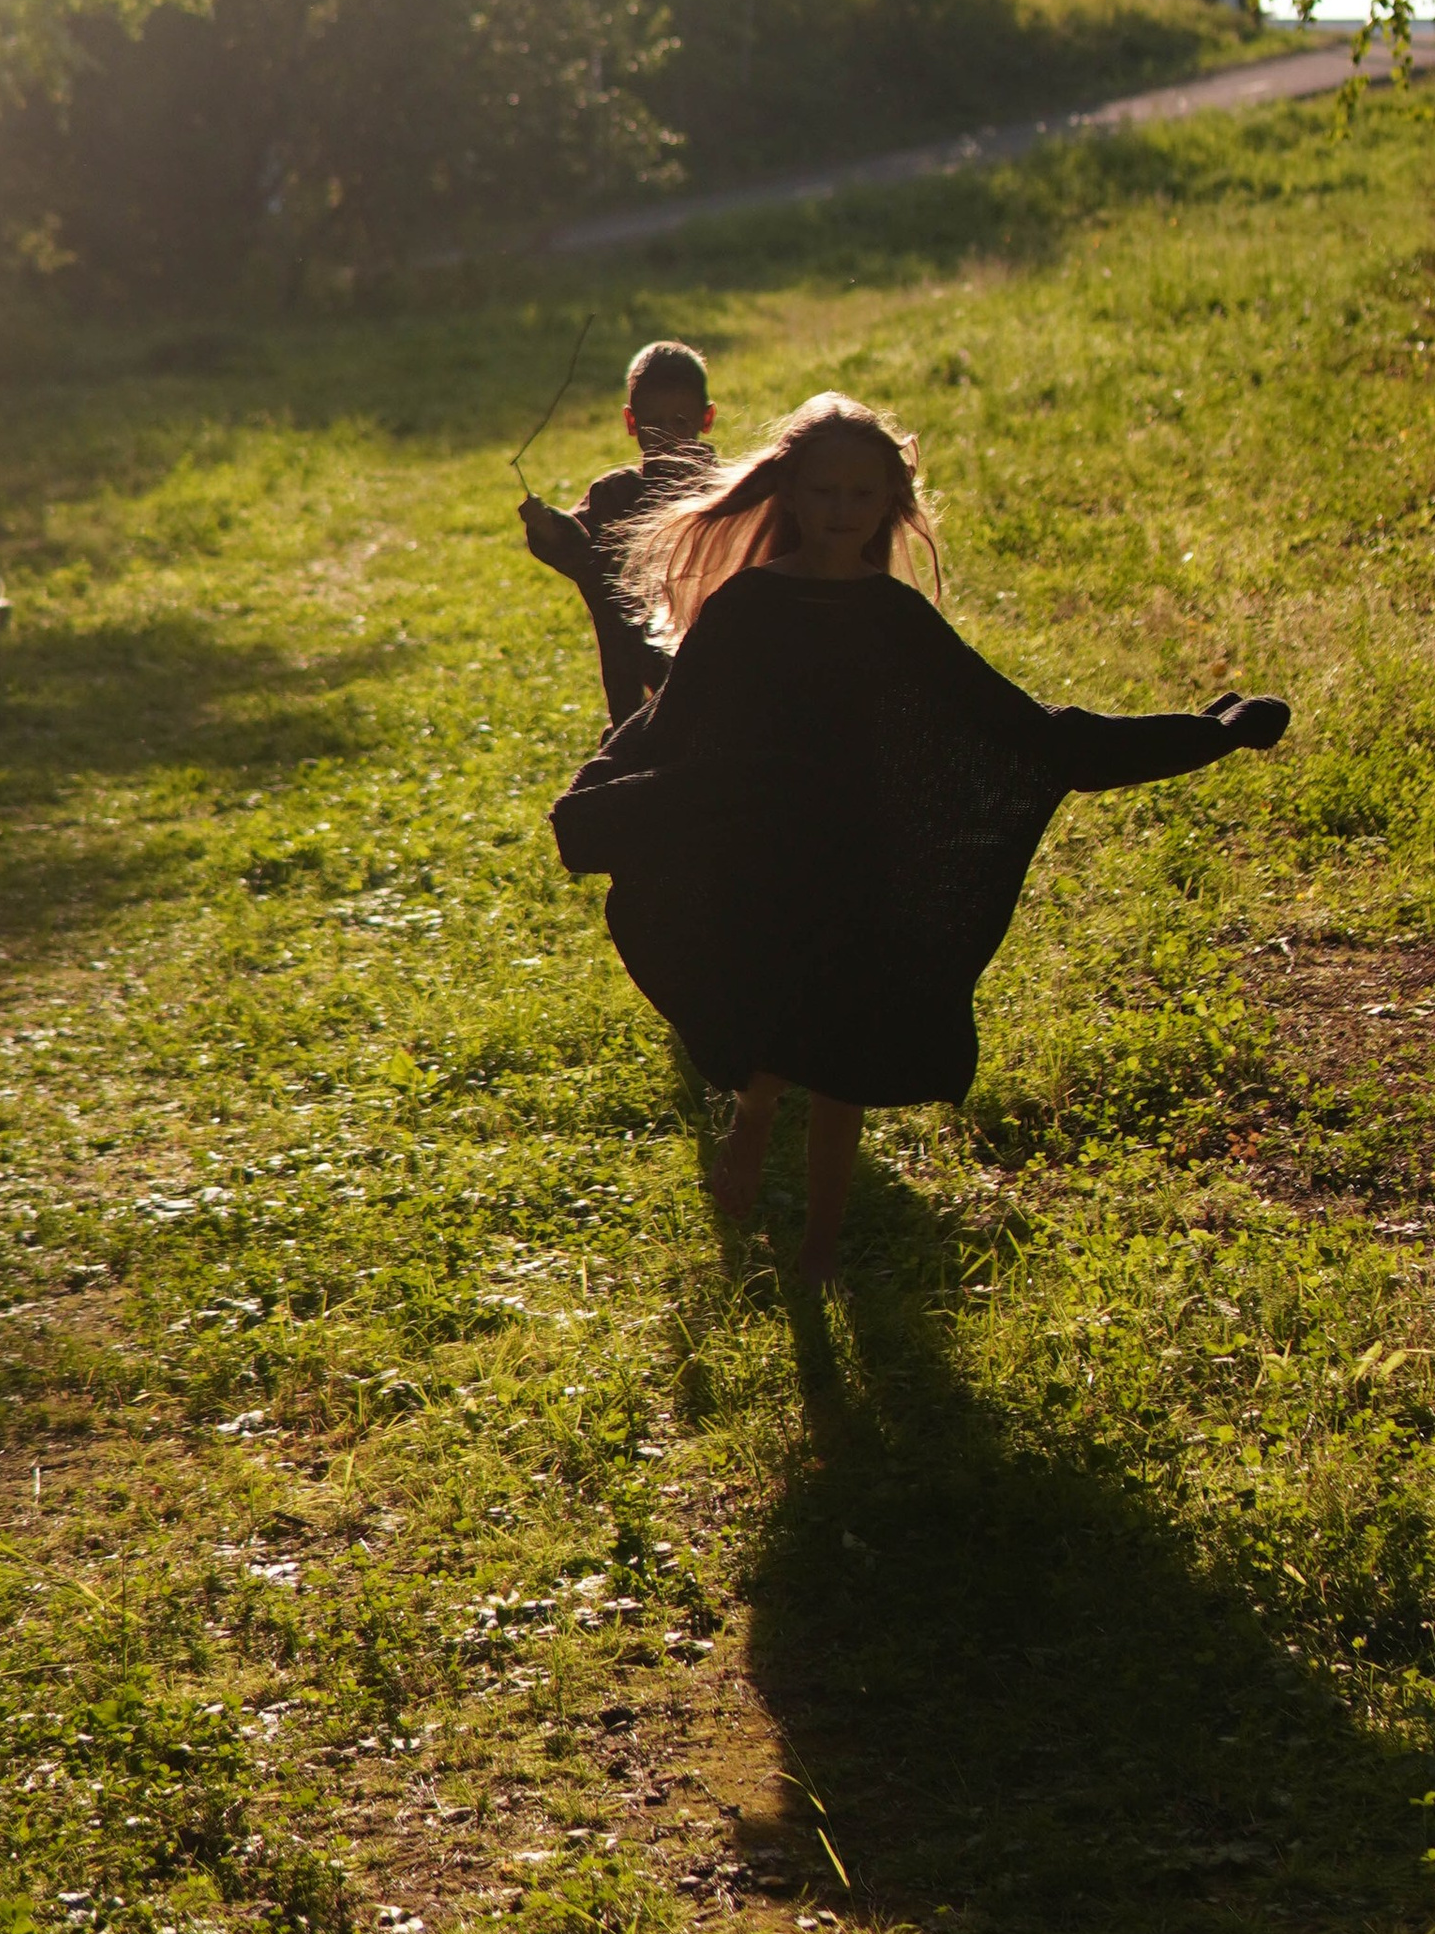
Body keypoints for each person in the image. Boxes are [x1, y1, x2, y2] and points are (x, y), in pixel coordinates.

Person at [549, 392, 1289, 1281]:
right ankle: (750, 1120)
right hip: (762, 856)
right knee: (771, 1016)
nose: (840, 512)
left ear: (891, 507)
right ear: (790, 492)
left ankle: (821, 1246)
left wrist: (1209, 732)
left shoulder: (896, 618)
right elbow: (670, 724)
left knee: (846, 1061)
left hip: (863, 861)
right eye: (824, 491)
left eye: (862, 496)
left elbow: (1035, 733)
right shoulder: (746, 607)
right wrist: (600, 799)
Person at [519, 339, 720, 729]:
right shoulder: (615, 496)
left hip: (716, 679)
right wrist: (547, 527)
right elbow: (579, 550)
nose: (667, 438)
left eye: (680, 422)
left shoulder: (724, 494)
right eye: (653, 424)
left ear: (706, 418)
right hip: (633, 693)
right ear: (631, 423)